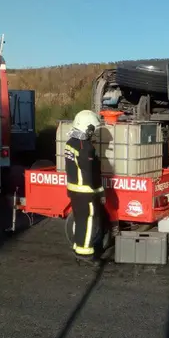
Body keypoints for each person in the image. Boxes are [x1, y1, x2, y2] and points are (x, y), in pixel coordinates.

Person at [64, 110, 105, 261]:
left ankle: (77, 247)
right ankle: (85, 253)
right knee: (88, 221)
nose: (93, 133)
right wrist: (97, 191)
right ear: (87, 128)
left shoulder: (70, 143)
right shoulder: (85, 147)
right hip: (85, 191)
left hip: (73, 189)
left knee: (80, 220)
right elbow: (89, 172)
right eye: (92, 129)